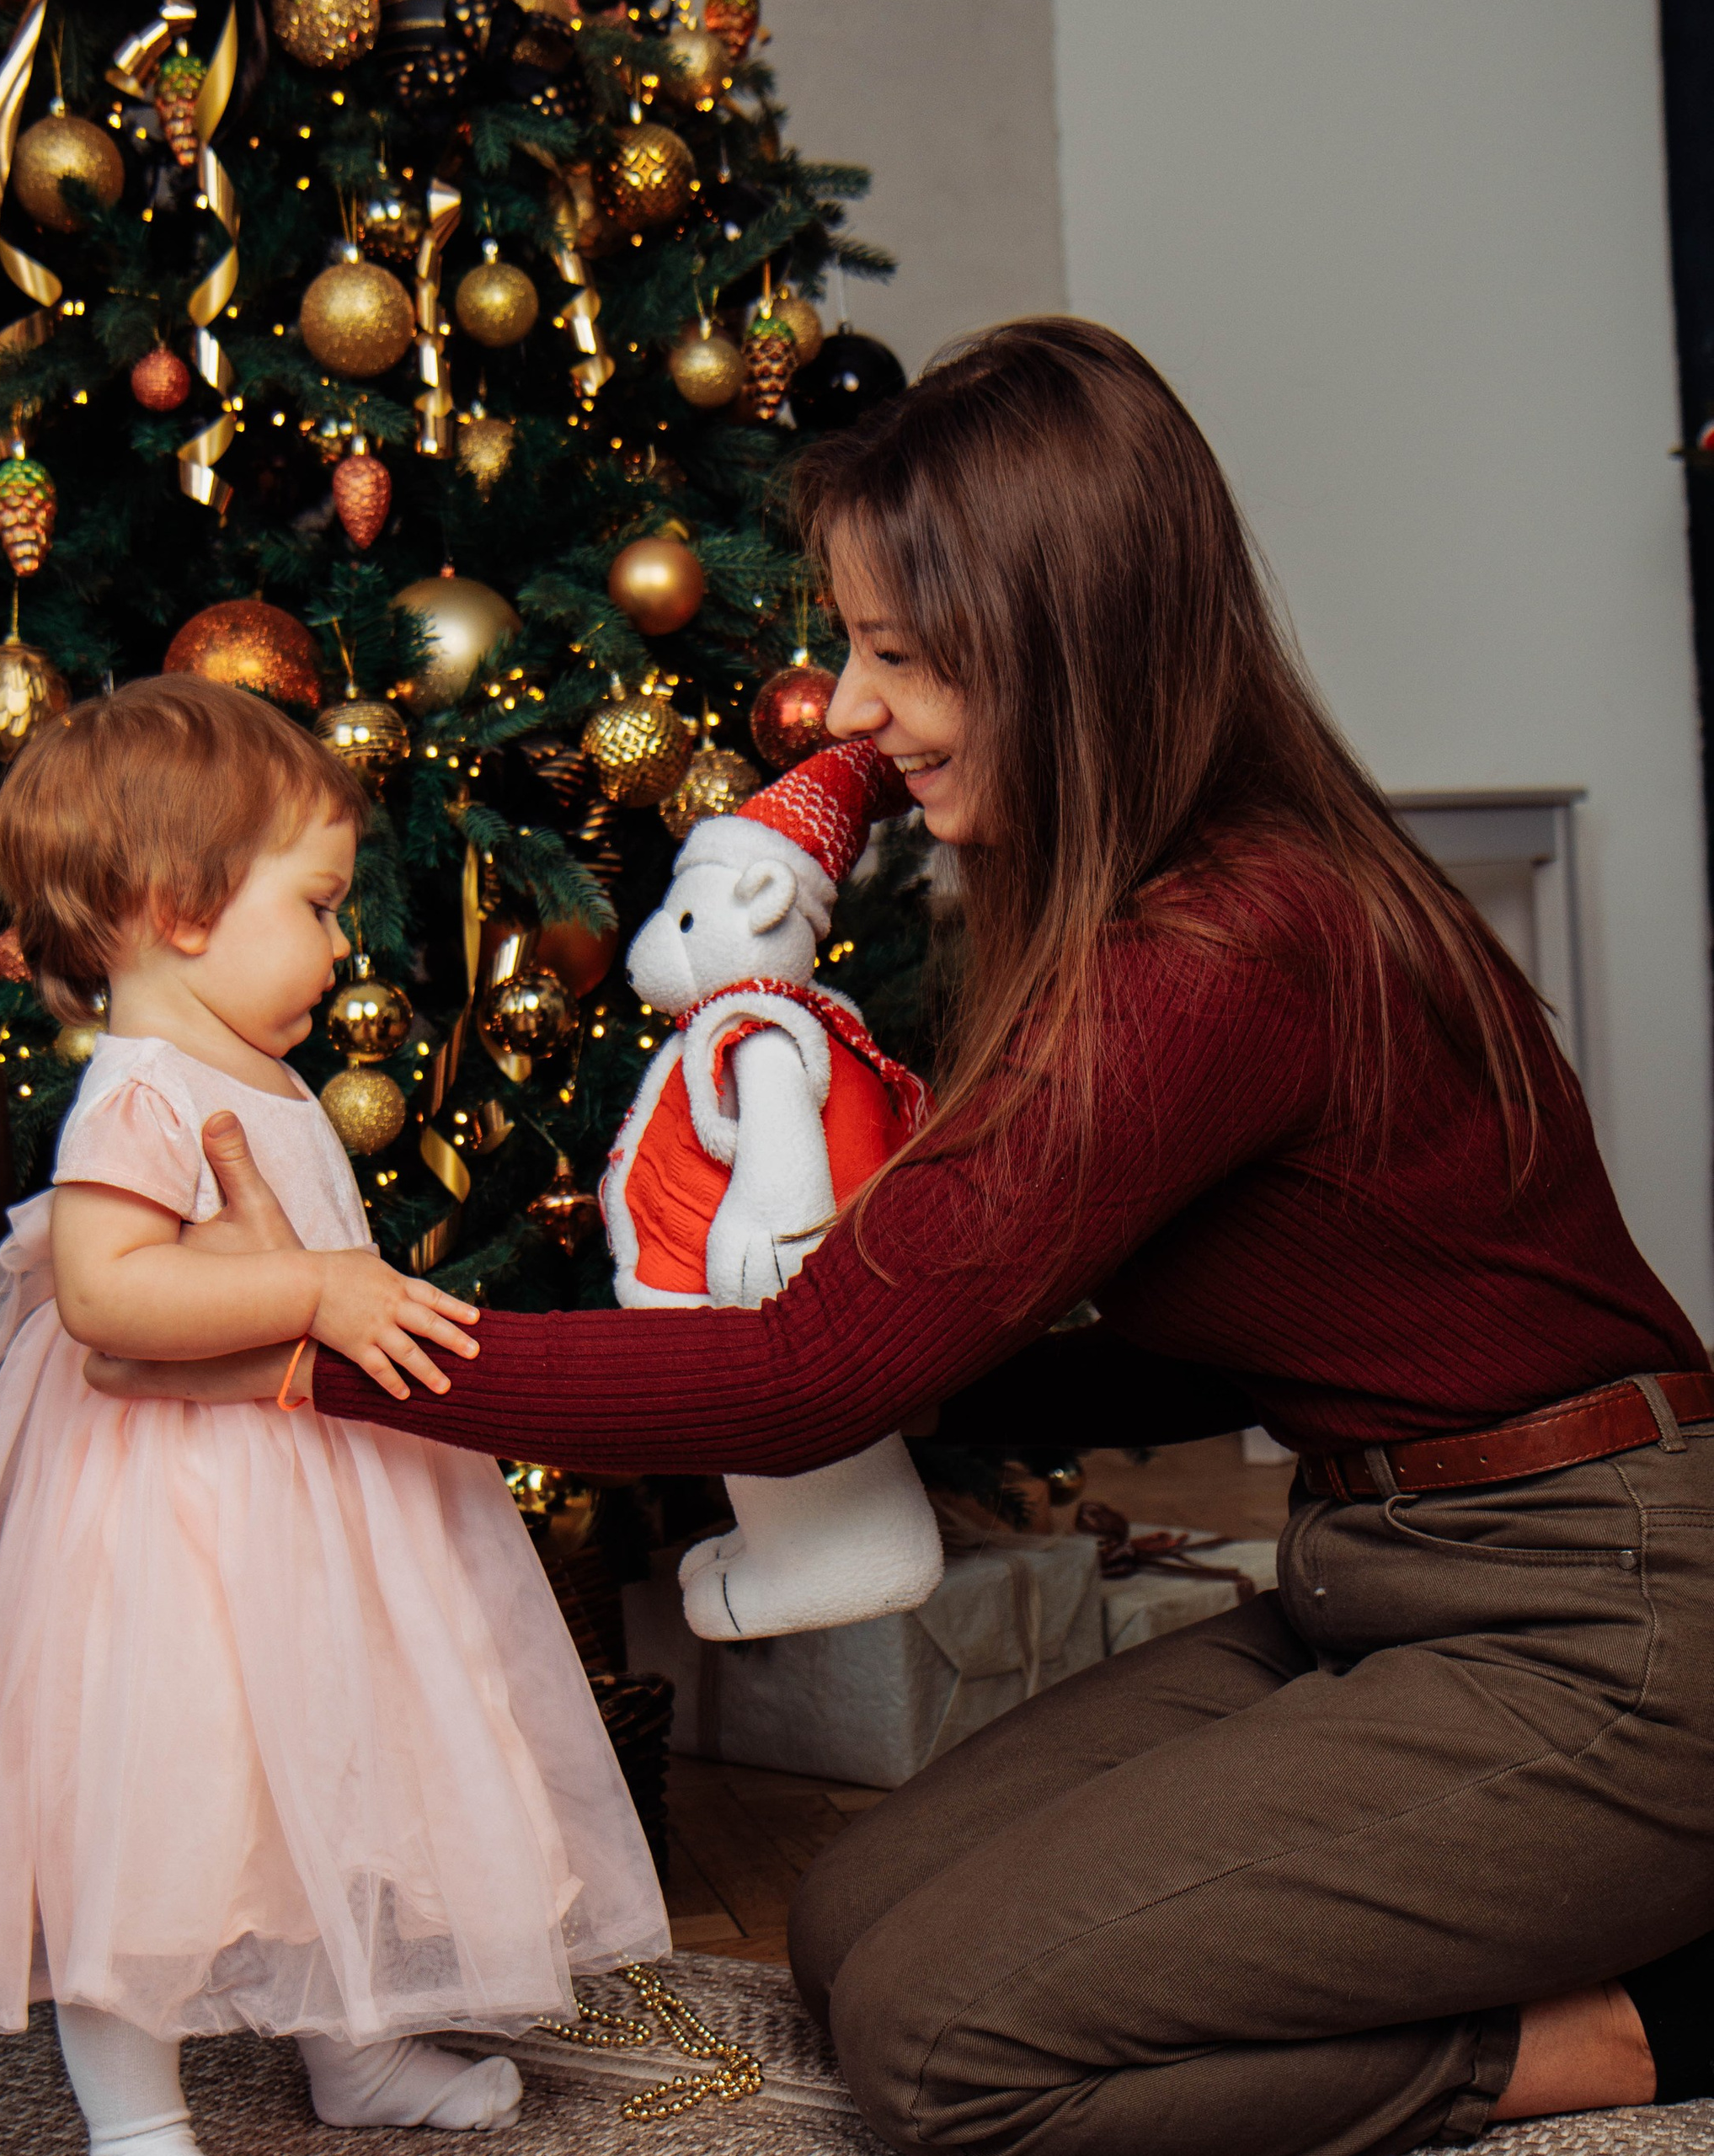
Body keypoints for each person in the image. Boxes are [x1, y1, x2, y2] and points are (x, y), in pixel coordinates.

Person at [91, 320, 1714, 2156]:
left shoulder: (1223, 946)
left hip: (1600, 1629)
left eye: (897, 655)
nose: (845, 710)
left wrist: (318, 1346)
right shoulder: (1149, 908)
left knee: (953, 2054)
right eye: (846, 644)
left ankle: (1624, 2027)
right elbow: (1113, 1327)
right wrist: (910, 1320)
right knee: (856, 1934)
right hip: (1377, 1581)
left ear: (1060, 655)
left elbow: (806, 1376)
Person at [0, 677, 670, 2156]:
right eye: (317, 902)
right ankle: (137, 2116)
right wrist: (314, 1286)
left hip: (312, 1494)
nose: (344, 939)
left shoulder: (271, 1079)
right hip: (170, 1517)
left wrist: (322, 1293)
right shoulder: (142, 1090)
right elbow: (107, 1299)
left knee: (337, 1765)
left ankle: (355, 2049)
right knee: (157, 1799)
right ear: (180, 904)